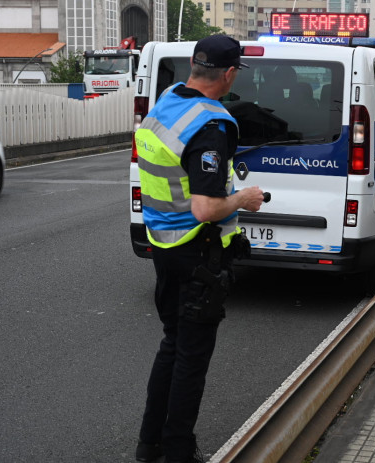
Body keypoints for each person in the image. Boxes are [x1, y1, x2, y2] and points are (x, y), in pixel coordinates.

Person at [133, 35, 264, 463]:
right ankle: (177, 452)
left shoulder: (170, 100)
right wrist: (244, 199)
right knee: (191, 356)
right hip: (196, 253)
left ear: (194, 64)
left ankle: (149, 444)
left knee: (172, 344)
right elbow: (206, 207)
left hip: (163, 242)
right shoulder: (211, 126)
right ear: (229, 75)